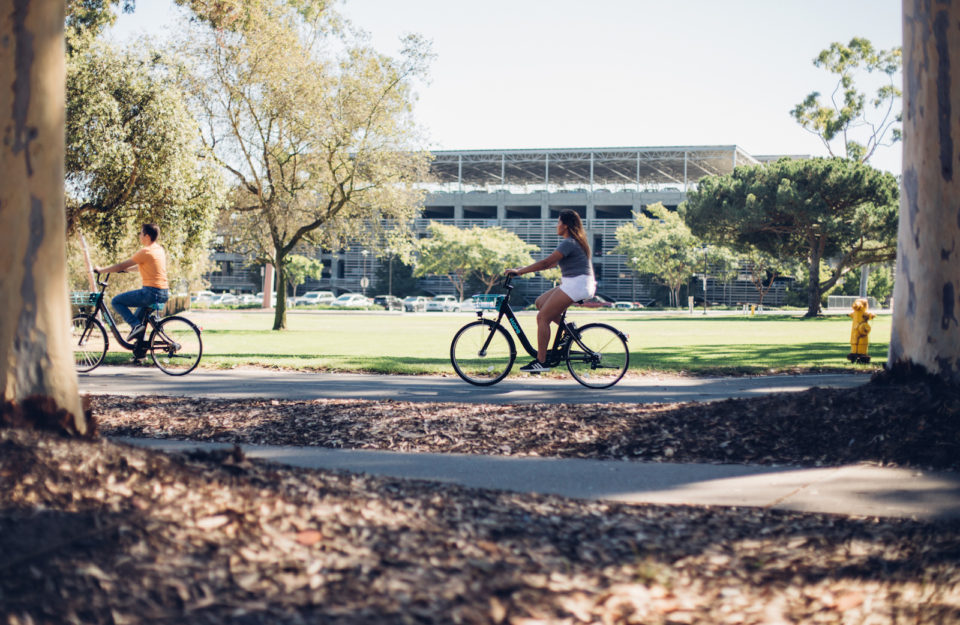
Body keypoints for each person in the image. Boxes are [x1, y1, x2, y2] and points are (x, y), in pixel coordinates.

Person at [506, 209, 596, 373]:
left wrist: (520, 272)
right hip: (575, 282)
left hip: (577, 284)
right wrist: (521, 269)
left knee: (542, 317)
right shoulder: (573, 242)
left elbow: (546, 263)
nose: (557, 225)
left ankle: (541, 362)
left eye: (559, 222)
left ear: (566, 225)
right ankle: (569, 331)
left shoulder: (569, 242)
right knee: (540, 303)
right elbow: (551, 264)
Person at [95, 223, 170, 341]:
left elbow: (121, 265)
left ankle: (136, 326)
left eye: (141, 233)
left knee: (116, 301)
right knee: (138, 321)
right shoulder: (159, 250)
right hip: (163, 293)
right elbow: (142, 267)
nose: (139, 235)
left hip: (150, 293)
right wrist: (126, 270)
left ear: (147, 236)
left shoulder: (145, 251)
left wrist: (101, 270)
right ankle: (140, 353)